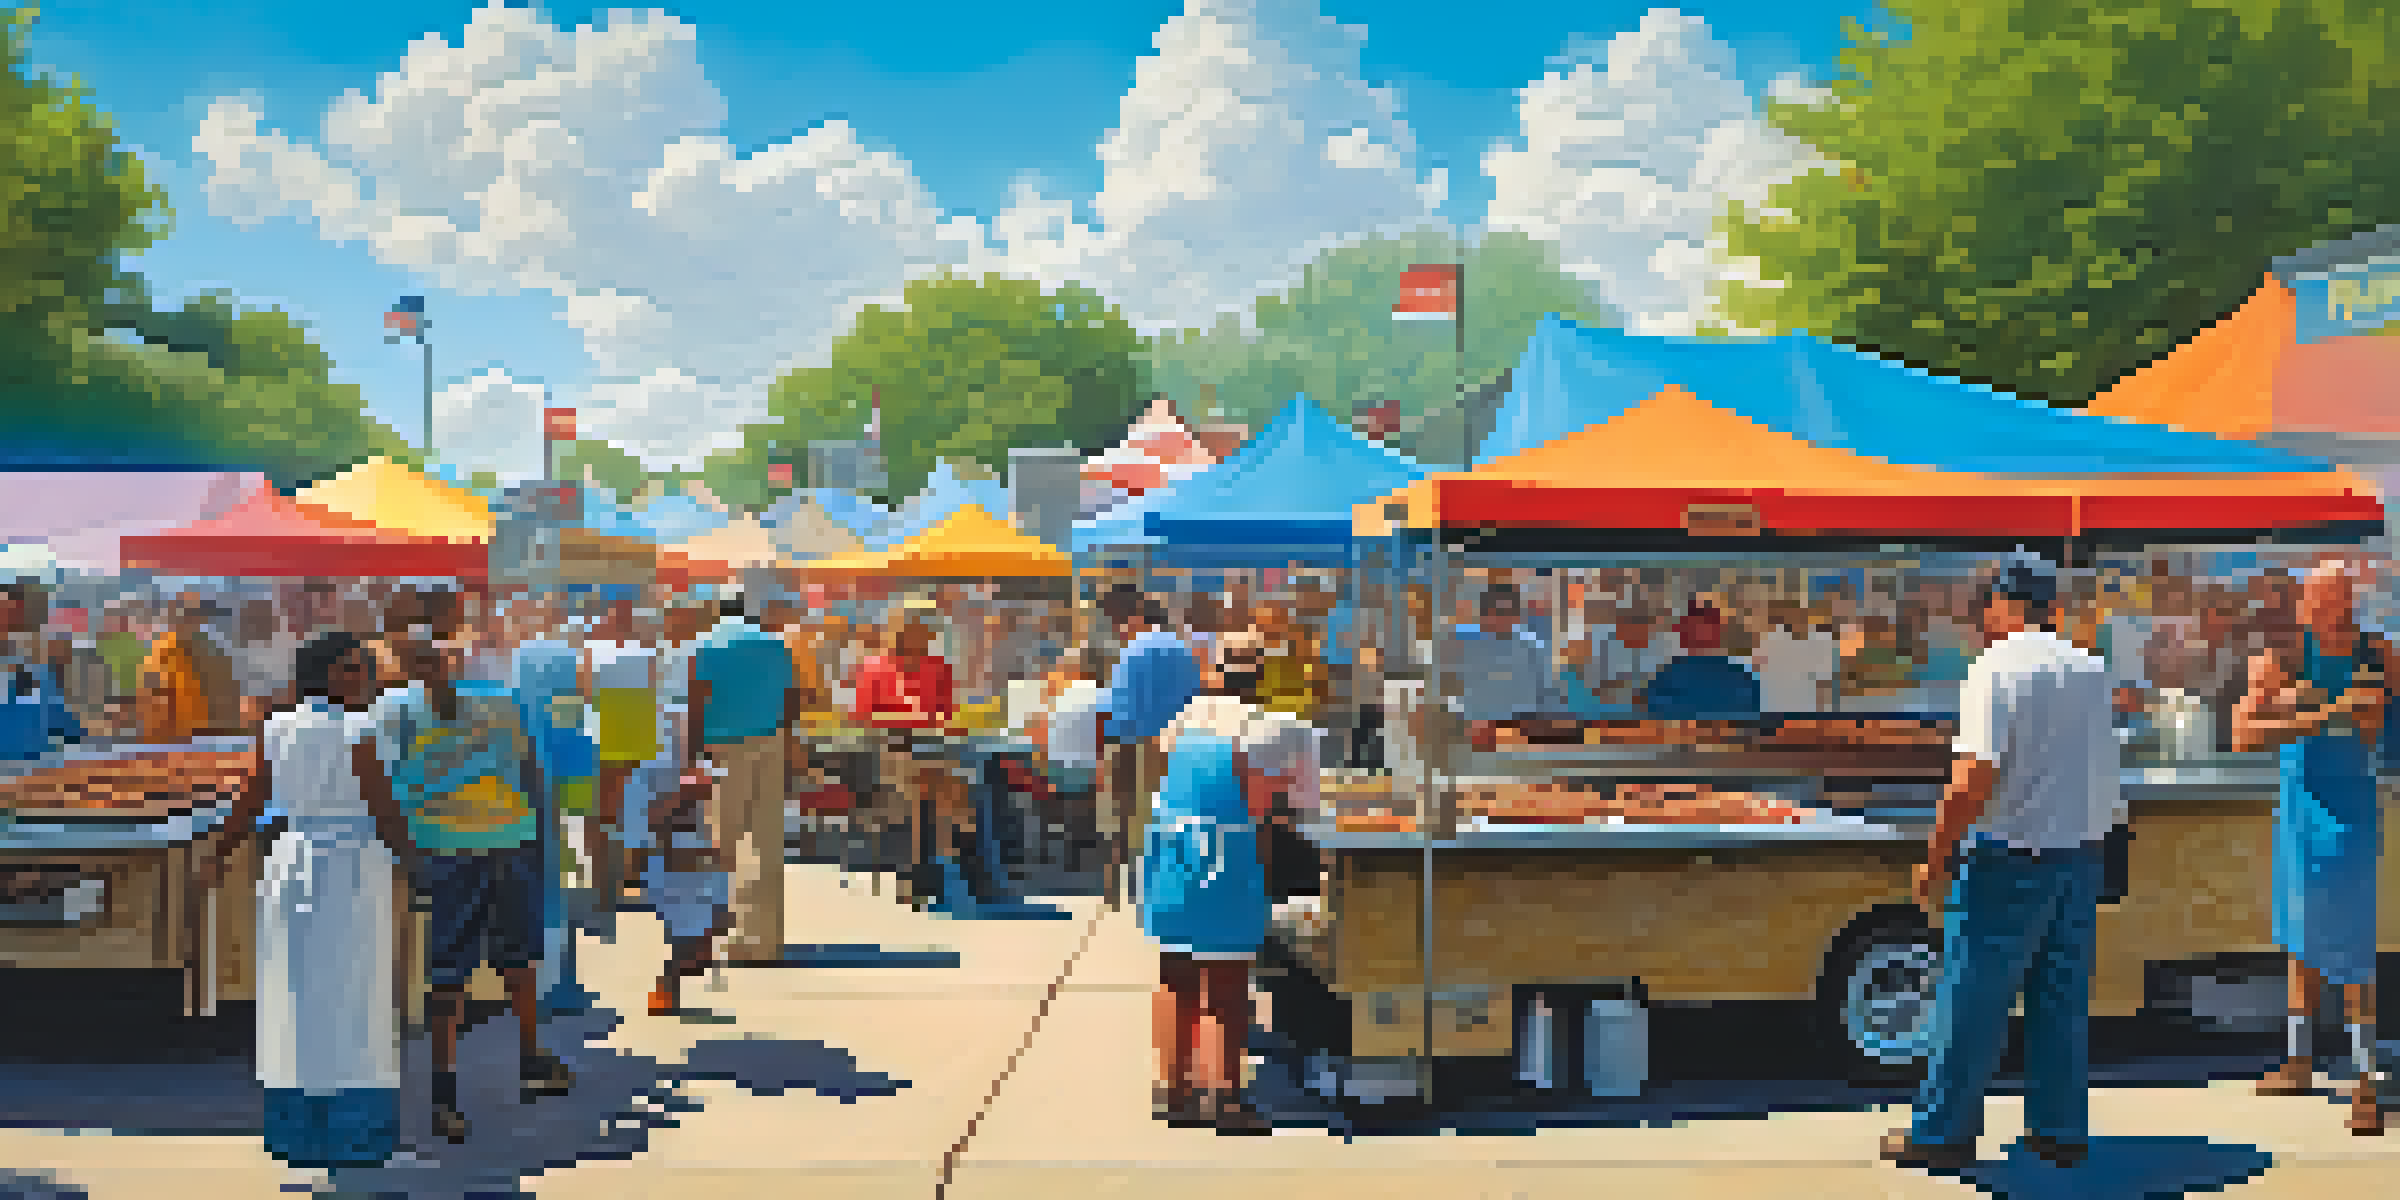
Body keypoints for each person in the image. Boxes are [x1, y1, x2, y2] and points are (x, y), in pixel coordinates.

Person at [1882, 558, 2118, 1173]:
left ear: (2002, 606)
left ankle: (1941, 1135)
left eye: (1983, 606)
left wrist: (1934, 857)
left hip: (2008, 857)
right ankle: (2059, 1129)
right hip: (2079, 858)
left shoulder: (1996, 668)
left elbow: (1971, 780)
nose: (1978, 619)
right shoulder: (2088, 667)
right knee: (2060, 1003)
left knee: (1970, 1001)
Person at [202, 633, 409, 1169]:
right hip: (351, 864)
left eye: (364, 667)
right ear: (325, 674)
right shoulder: (361, 728)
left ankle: (296, 1131)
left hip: (291, 862)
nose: (363, 676)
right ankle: (355, 1135)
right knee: (354, 995)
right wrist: (419, 864)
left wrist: (217, 856)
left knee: (292, 989)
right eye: (351, 668)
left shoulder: (278, 725)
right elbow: (384, 810)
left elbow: (248, 801)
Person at [368, 636, 574, 1144]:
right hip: (479, 846)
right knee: (480, 968)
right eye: (425, 661)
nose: (431, 669)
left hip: (474, 846)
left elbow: (391, 784)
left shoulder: (407, 710)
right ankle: (474, 1080)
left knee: (481, 965)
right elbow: (528, 777)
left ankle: (489, 1075)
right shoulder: (478, 705)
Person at [2235, 561, 2390, 1134]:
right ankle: (2300, 1059)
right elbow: (2244, 733)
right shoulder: (2281, 659)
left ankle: (2366, 1078)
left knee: (2352, 944)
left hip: (2351, 811)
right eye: (2327, 600)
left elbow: (2383, 730)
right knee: (2300, 934)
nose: (2338, 611)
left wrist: (2372, 720)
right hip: (2302, 811)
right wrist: (2327, 713)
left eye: (2346, 600)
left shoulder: (2377, 654)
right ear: (2307, 603)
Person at [1143, 633, 1315, 1135]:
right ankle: (1224, 1099)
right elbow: (1279, 806)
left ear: (1213, 671)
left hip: (1172, 853)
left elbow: (1167, 771)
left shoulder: (1184, 719)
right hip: (1225, 857)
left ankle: (1174, 1094)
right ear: (1259, 675)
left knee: (1175, 974)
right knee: (1225, 985)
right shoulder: (1260, 728)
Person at [687, 585, 799, 962]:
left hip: (724, 748)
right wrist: (785, 734)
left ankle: (726, 933)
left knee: (724, 842)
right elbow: (793, 696)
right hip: (770, 743)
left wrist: (692, 752)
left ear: (720, 612)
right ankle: (766, 941)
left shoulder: (708, 645)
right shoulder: (774, 644)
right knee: (766, 842)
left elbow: (697, 699)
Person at [1098, 585, 1203, 909]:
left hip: (1130, 742)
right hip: (1174, 744)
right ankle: (1164, 887)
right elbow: (1194, 699)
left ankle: (1115, 890)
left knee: (1118, 819)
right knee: (1166, 816)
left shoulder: (1132, 651)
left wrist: (1107, 747)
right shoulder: (1181, 650)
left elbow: (1116, 705)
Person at [852, 607, 962, 905]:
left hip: (929, 748)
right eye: (914, 628)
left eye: (925, 629)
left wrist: (933, 725)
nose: (922, 635)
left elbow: (946, 715)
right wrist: (905, 717)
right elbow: (863, 715)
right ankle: (916, 875)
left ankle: (928, 874)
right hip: (892, 745)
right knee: (915, 795)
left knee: (938, 794)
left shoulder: (939, 667)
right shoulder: (877, 666)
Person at [582, 594, 661, 916]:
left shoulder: (592, 650)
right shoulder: (643, 650)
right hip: (631, 732)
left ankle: (604, 883)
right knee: (628, 808)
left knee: (600, 813)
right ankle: (625, 877)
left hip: (605, 732)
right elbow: (650, 693)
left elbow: (584, 691)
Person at [645, 767, 732, 1016]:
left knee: (690, 952)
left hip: (693, 899)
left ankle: (666, 995)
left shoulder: (697, 820)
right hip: (687, 900)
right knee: (688, 951)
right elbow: (683, 862)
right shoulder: (679, 824)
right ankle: (664, 995)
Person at [1453, 584, 1571, 747]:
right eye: (1496, 612)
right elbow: (1451, 694)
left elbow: (1549, 695)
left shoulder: (1533, 649)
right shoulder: (1464, 647)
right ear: (1483, 615)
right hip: (1475, 732)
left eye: (1510, 613)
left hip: (1524, 732)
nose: (1503, 619)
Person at [0, 580, 84, 761]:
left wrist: (81, 735)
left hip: (35, 768)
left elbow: (58, 717)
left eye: (11, 614)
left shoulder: (33, 668)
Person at [1642, 604, 1763, 722]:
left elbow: (1751, 710)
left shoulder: (1739, 675)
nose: (1700, 633)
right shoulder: (1668, 675)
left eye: (1706, 627)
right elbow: (1655, 709)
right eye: (1693, 627)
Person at [1751, 598, 1842, 715]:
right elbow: (1757, 667)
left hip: (1806, 708)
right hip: (1775, 708)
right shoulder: (1772, 638)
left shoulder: (1822, 640)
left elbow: (1826, 681)